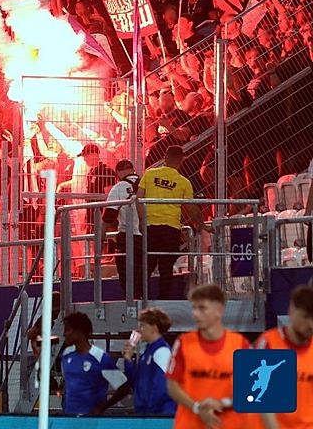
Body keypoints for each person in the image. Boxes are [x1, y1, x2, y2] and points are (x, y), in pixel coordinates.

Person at [166, 284, 252, 428]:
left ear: (219, 310)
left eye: (202, 308)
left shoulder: (241, 345)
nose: (195, 314)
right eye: (194, 308)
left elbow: (251, 390)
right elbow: (172, 385)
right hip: (190, 424)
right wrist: (197, 407)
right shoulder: (183, 343)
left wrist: (222, 403)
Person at [137, 146, 205, 299]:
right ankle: (164, 299)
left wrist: (142, 220)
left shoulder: (150, 174)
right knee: (166, 266)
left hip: (151, 226)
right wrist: (202, 224)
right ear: (181, 161)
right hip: (171, 228)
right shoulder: (183, 182)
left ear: (165, 158)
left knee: (147, 263)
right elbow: (191, 208)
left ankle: (140, 297)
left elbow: (139, 198)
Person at [256, 285, 313, 428]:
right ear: (292, 310)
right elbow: (262, 404)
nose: (311, 324)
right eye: (306, 317)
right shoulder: (268, 343)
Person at [111, 308, 176, 415]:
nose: (140, 329)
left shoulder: (162, 352)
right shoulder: (148, 352)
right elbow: (136, 382)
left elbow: (162, 387)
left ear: (154, 328)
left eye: (143, 325)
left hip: (160, 415)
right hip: (147, 414)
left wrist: (148, 410)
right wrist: (128, 360)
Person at [60, 312, 124, 416]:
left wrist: (102, 407)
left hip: (92, 421)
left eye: (67, 329)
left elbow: (123, 387)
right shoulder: (66, 354)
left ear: (78, 331)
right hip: (69, 419)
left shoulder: (100, 358)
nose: (64, 334)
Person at [102, 159, 143, 298]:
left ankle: (131, 303)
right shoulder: (146, 184)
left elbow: (109, 216)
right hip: (149, 235)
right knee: (143, 274)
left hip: (128, 236)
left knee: (126, 276)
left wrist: (101, 238)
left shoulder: (119, 187)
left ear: (118, 172)